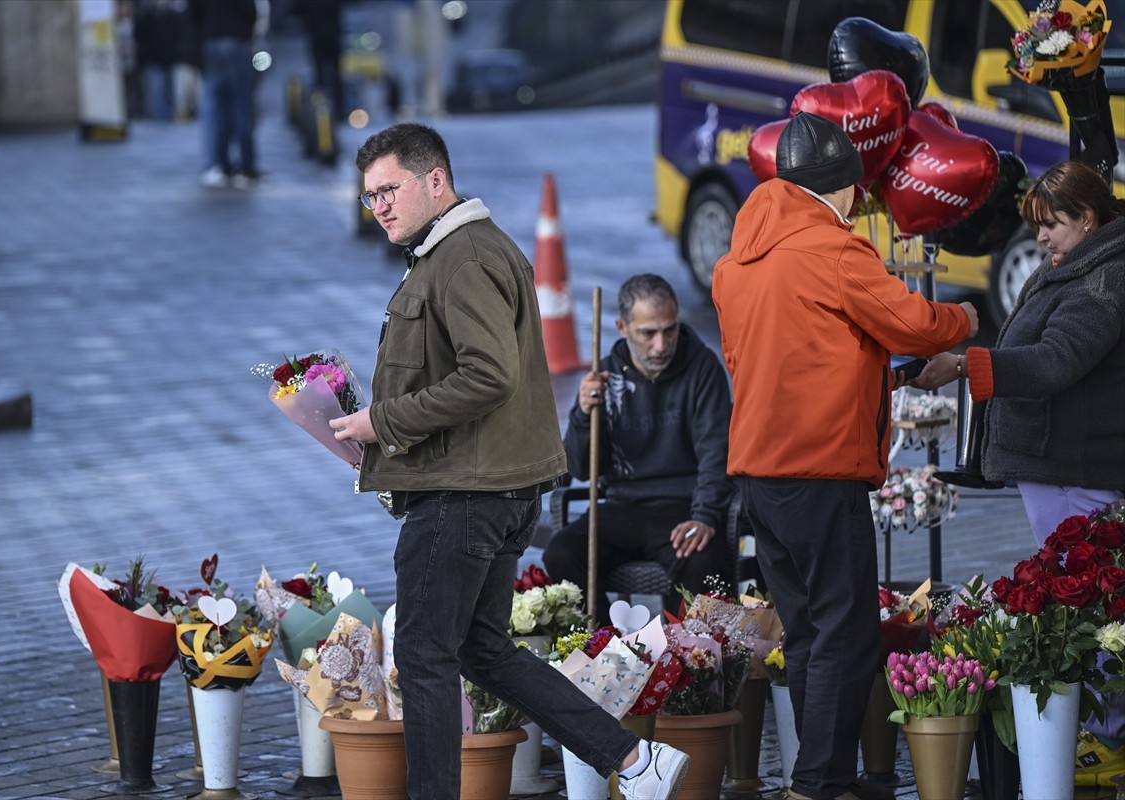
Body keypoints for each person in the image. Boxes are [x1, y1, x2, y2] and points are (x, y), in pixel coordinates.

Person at [328, 122, 691, 799]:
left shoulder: (461, 258)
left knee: (426, 657)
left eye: (389, 190)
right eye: (368, 197)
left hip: (462, 496)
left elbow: (487, 375)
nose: (377, 207)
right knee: (481, 650)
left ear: (435, 180)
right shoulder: (461, 250)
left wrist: (381, 421)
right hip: (490, 490)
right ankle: (636, 762)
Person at [713, 111, 978, 800]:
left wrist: (876, 373)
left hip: (758, 471)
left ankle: (817, 774)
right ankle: (817, 783)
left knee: (804, 631)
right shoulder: (832, 249)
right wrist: (969, 319)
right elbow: (913, 322)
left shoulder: (735, 262)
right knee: (847, 631)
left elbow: (790, 355)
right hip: (819, 469)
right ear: (847, 190)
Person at [912, 159, 1125, 787]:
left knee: (1092, 605)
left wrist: (967, 367)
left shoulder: (1105, 278)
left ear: (1088, 219)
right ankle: (1101, 731)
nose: (1040, 238)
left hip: (1074, 466)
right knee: (1086, 600)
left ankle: (1109, 737)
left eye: (1051, 225)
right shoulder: (1083, 264)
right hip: (1059, 465)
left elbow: (1057, 361)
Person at [543, 273, 735, 617]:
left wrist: (704, 516)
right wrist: (585, 415)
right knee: (561, 553)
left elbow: (716, 452)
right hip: (622, 507)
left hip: (684, 506)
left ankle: (689, 662)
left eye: (670, 330)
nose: (661, 345)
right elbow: (580, 469)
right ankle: (609, 649)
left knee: (704, 560)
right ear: (622, 327)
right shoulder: (604, 377)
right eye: (648, 333)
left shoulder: (703, 368)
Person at [188, 0, 258, 188]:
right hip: (236, 40)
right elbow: (250, 10)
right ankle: (245, 165)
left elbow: (193, 14)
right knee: (240, 105)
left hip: (211, 41)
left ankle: (216, 164)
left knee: (214, 107)